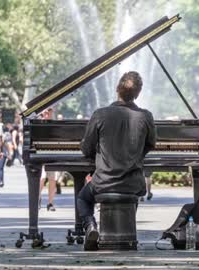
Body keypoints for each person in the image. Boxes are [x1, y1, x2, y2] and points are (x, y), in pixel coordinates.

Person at [77, 71, 156, 250]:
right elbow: (151, 144)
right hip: (133, 182)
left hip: (103, 181)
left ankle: (90, 226)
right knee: (132, 194)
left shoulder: (100, 114)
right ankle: (125, 233)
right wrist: (135, 157)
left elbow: (86, 148)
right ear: (138, 93)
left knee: (82, 198)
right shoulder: (146, 116)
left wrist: (97, 154)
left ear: (117, 89)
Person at [38, 108, 58, 211]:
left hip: (51, 154)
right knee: (42, 177)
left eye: (49, 112)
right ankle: (38, 197)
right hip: (40, 154)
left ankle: (50, 203)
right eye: (45, 112)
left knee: (52, 179)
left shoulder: (54, 125)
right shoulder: (38, 125)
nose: (47, 114)